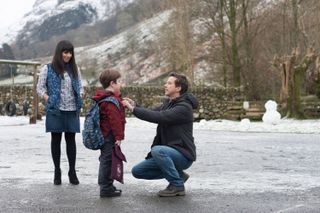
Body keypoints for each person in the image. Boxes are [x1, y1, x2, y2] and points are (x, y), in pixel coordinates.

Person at [122, 73, 198, 197]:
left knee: (158, 150)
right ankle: (178, 175)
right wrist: (135, 105)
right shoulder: (169, 103)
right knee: (138, 171)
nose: (165, 85)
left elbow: (159, 117)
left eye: (169, 83)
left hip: (183, 155)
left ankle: (177, 185)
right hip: (169, 153)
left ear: (178, 88)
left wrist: (132, 109)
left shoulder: (184, 108)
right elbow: (153, 112)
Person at [37, 40, 83, 185]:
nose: (68, 55)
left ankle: (72, 171)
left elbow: (81, 86)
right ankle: (57, 171)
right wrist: (48, 98)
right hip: (55, 109)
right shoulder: (48, 68)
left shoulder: (75, 69)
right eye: (65, 52)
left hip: (72, 110)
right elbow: (40, 88)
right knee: (55, 141)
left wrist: (80, 94)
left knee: (71, 141)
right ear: (59, 52)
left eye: (70, 52)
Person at [92, 69, 126, 197]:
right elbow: (115, 121)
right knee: (107, 161)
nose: (121, 85)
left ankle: (108, 185)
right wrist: (119, 136)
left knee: (108, 160)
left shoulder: (106, 98)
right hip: (109, 136)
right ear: (112, 83)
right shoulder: (110, 101)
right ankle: (105, 188)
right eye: (119, 82)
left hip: (104, 134)